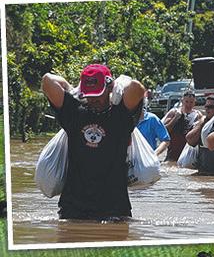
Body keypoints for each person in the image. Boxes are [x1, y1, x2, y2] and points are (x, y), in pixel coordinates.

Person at [41, 65, 145, 220]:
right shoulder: (74, 112)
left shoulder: (120, 115)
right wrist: (72, 88)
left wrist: (120, 83)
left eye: (97, 94)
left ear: (109, 87)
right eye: (89, 94)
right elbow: (47, 81)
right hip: (73, 209)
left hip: (114, 209)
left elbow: (137, 89)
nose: (93, 99)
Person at [189, 94, 214, 175]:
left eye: (210, 107)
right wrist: (202, 123)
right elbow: (190, 140)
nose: (207, 109)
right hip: (204, 172)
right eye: (206, 106)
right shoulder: (203, 124)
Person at [162, 90, 200, 162]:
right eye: (186, 102)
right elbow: (164, 131)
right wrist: (175, 118)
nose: (189, 105)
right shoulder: (173, 112)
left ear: (194, 103)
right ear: (182, 101)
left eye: (191, 102)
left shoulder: (197, 115)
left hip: (187, 155)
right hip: (172, 154)